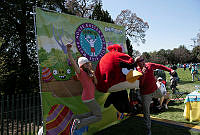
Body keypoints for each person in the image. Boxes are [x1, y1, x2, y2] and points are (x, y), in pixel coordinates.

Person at [66, 44, 102, 135]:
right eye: (86, 64)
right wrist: (68, 50)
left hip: (90, 97)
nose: (88, 65)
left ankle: (75, 117)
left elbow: (96, 83)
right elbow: (73, 62)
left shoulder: (89, 73)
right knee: (98, 116)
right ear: (82, 65)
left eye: (88, 63)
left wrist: (93, 76)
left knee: (92, 114)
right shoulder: (80, 72)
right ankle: (78, 124)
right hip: (88, 98)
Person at [134, 56, 175, 135]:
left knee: (163, 94)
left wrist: (170, 70)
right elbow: (140, 84)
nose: (143, 61)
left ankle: (161, 104)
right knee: (146, 111)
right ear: (137, 63)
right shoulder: (136, 71)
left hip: (155, 90)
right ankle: (148, 129)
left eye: (143, 60)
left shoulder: (149, 65)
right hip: (145, 93)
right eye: (140, 61)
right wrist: (143, 74)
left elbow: (160, 66)